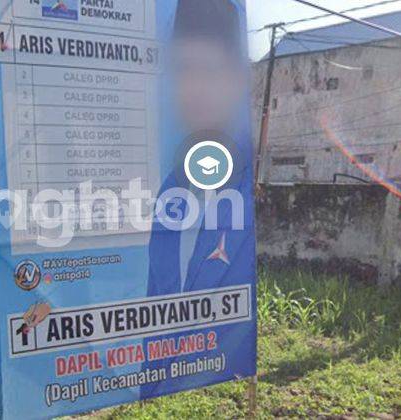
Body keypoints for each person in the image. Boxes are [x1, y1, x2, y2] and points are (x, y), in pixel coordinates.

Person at [141, 0, 256, 398]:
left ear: (236, 81)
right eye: (184, 71)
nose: (196, 88)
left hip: (224, 381)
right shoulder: (171, 186)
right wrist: (147, 388)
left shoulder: (250, 186)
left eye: (210, 70)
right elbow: (157, 305)